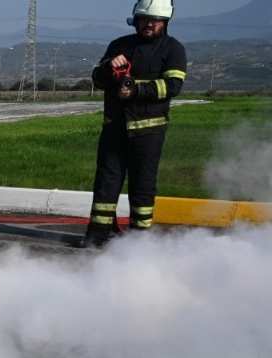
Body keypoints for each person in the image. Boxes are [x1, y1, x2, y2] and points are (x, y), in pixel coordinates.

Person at [78, 0, 186, 248]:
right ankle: (97, 236)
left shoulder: (173, 49)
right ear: (136, 19)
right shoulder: (119, 45)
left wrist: (136, 89)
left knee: (143, 186)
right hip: (114, 128)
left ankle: (139, 240)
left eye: (154, 20)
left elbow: (173, 86)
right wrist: (108, 68)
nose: (149, 24)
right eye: (144, 19)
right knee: (106, 183)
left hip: (149, 132)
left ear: (165, 22)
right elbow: (97, 79)